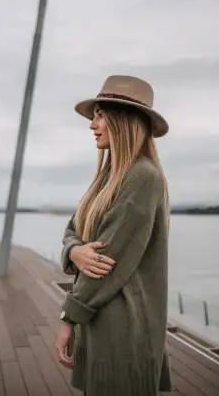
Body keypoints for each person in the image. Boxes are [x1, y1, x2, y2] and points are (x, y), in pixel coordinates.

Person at [54, 75, 173, 396]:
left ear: (125, 120)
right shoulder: (107, 179)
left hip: (125, 330)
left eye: (101, 114)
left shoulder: (142, 177)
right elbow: (71, 231)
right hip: (100, 321)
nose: (93, 125)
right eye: (94, 116)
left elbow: (106, 264)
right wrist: (75, 252)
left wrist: (68, 319)